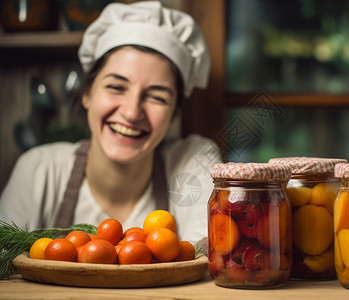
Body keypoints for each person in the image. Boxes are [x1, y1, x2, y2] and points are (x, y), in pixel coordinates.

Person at [0, 1, 222, 248]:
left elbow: (208, 254)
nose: (131, 112)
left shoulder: (191, 161)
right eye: (116, 87)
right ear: (87, 93)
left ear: (174, 115)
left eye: (157, 96)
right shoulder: (39, 170)